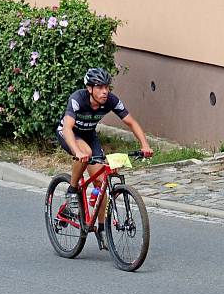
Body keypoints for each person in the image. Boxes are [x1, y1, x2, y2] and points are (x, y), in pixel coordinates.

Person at [56, 67, 153, 248]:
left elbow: (131, 122)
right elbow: (68, 127)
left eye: (106, 87)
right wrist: (76, 151)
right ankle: (72, 189)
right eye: (99, 87)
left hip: (89, 134)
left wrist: (145, 145)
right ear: (89, 89)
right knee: (85, 153)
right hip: (68, 134)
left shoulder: (111, 100)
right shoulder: (78, 99)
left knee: (101, 182)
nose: (105, 91)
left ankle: (101, 228)